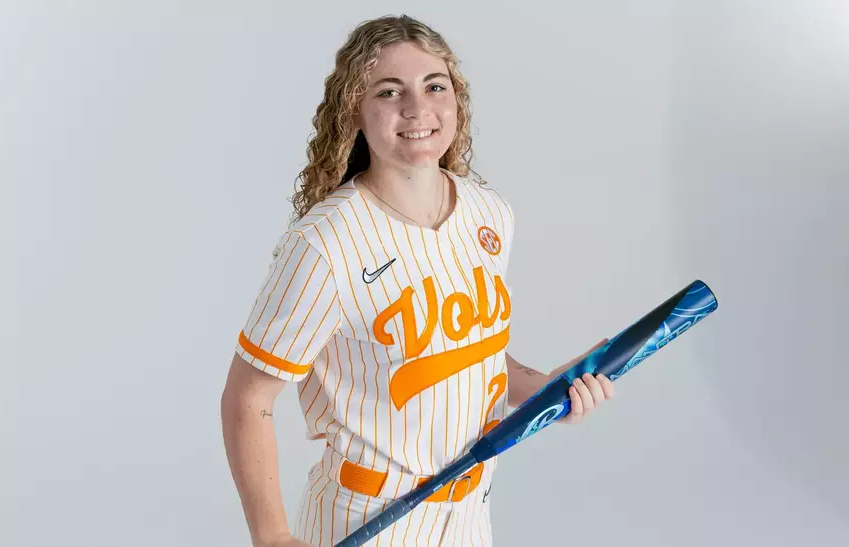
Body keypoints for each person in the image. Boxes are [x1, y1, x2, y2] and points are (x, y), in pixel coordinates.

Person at [220, 14, 616, 547]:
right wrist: (272, 537)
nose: (417, 108)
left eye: (434, 86)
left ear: (457, 100)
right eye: (389, 91)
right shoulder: (325, 244)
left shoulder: (488, 213)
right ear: (354, 111)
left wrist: (545, 389)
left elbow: (465, 352)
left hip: (470, 516)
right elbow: (248, 397)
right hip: (368, 520)